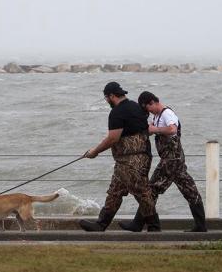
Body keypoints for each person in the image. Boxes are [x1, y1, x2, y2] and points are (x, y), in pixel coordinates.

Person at [119, 90, 207, 232]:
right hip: (174, 161)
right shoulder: (158, 116)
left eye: (147, 108)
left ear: (152, 102)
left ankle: (138, 224)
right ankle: (201, 226)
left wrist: (155, 130)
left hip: (171, 160)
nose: (148, 112)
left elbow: (172, 129)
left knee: (151, 189)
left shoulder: (167, 114)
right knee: (190, 190)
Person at [79, 81, 160, 232]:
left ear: (111, 96)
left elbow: (112, 138)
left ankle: (154, 227)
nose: (107, 101)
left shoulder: (117, 112)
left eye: (106, 98)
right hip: (138, 157)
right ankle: (101, 224)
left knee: (142, 193)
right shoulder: (136, 107)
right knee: (115, 191)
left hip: (131, 160)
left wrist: (94, 152)